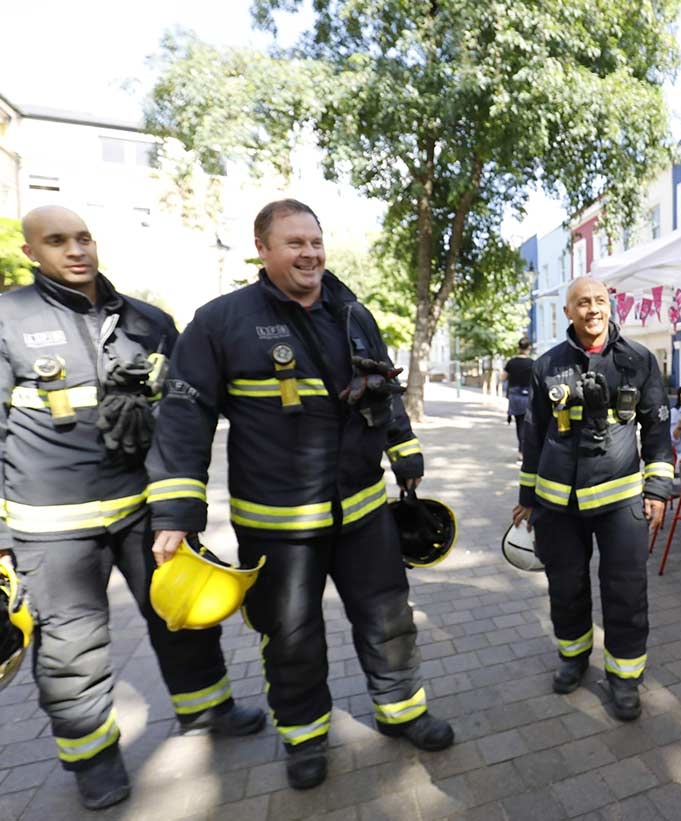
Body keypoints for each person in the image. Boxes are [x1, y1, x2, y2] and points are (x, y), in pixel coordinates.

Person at [146, 199, 454, 791]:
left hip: (363, 510)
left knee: (389, 617)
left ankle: (402, 712)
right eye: (294, 243)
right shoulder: (220, 321)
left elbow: (381, 385)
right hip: (277, 523)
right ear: (262, 249)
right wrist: (178, 513)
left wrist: (404, 451)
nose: (310, 253)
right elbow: (185, 419)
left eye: (315, 241)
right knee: (290, 636)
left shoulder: (352, 312)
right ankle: (306, 736)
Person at [0, 206, 264, 811]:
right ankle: (93, 759)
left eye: (84, 237)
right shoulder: (8, 319)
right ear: (30, 252)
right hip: (52, 523)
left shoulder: (147, 320)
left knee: (183, 614)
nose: (75, 250)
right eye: (57, 240)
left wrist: (179, 500)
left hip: (145, 506)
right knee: (72, 647)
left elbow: (188, 407)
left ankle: (208, 709)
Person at [511, 277, 673, 721]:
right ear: (568, 312)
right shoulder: (547, 366)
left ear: (610, 306)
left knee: (625, 591)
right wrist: (527, 496)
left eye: (600, 301)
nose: (593, 309)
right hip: (557, 504)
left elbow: (657, 431)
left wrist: (658, 489)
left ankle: (624, 678)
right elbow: (533, 434)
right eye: (582, 303)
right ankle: (573, 657)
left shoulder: (637, 361)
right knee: (567, 587)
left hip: (622, 502)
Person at [502, 337, 534, 461]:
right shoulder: (532, 363)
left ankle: (521, 452)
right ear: (529, 348)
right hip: (528, 397)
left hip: (515, 397)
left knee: (519, 425)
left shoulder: (511, 362)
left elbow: (502, 378)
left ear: (518, 348)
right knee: (528, 426)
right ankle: (526, 450)